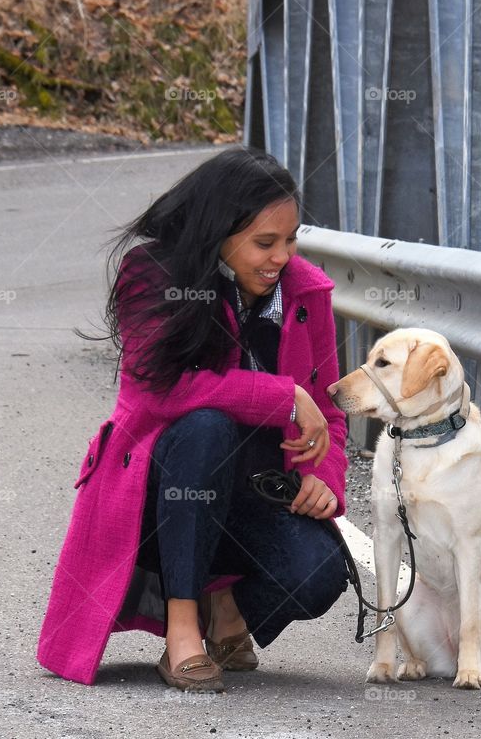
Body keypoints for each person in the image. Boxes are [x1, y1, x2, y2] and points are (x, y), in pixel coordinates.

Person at [36, 146, 350, 691]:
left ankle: (223, 602)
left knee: (319, 574)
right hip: (159, 499)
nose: (282, 257)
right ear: (218, 232)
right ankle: (182, 628)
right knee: (205, 429)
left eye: (291, 239)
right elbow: (159, 391)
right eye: (264, 243)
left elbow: (328, 412)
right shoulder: (152, 275)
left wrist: (326, 478)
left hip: (253, 491)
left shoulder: (306, 292)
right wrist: (284, 397)